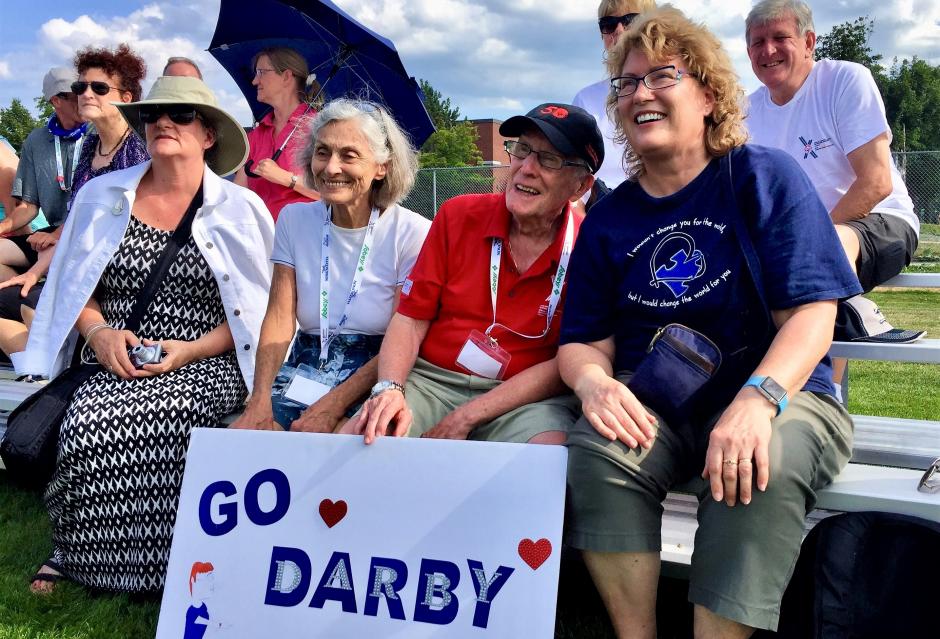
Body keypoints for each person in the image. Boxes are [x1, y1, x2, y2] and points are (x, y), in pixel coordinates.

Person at [558, 8, 861, 637]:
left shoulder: (763, 177)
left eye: (661, 76)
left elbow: (812, 315)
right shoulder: (611, 218)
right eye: (627, 83)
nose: (639, 93)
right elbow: (583, 341)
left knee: (757, 460)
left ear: (710, 94)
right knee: (597, 451)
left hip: (781, 393)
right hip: (664, 406)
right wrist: (594, 384)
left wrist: (758, 399)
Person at [21, 76, 274, 594]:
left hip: (208, 357)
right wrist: (100, 335)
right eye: (154, 114)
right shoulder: (101, 195)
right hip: (115, 353)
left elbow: (257, 312)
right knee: (90, 421)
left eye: (181, 115)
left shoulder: (241, 209)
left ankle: (173, 565)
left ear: (208, 135)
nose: (163, 122)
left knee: (165, 414)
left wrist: (190, 350)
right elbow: (75, 288)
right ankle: (80, 556)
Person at [347, 103, 602, 446]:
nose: (526, 168)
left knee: (546, 456)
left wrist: (469, 415)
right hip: (433, 382)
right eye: (523, 149)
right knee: (361, 437)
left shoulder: (589, 246)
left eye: (549, 159)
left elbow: (566, 361)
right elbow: (409, 319)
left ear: (580, 186)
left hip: (523, 399)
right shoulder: (458, 215)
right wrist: (390, 388)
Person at [744, 0, 922, 391]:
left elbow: (876, 183)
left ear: (809, 42)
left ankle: (824, 396)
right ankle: (849, 315)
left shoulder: (844, 80)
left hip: (879, 220)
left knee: (821, 256)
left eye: (780, 38)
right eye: (757, 42)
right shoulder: (748, 112)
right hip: (798, 247)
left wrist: (805, 244)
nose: (767, 50)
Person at [230, 99, 429, 433]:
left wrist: (333, 405)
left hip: (377, 369)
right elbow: (279, 317)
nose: (331, 167)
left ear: (381, 167)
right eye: (322, 152)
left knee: (341, 441)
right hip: (307, 359)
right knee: (249, 436)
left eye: (348, 155)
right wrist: (260, 397)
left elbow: (402, 337)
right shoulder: (294, 219)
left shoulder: (410, 233)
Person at [0, 47, 151, 367]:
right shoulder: (89, 149)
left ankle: (47, 362)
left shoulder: (138, 148)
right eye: (80, 88)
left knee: (28, 305)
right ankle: (41, 365)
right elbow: (76, 218)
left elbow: (123, 230)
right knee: (18, 293)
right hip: (73, 253)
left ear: (126, 98)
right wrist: (36, 271)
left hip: (111, 271)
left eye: (98, 88)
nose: (84, 94)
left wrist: (50, 261)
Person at [0, 67, 85, 282]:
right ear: (56, 101)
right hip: (52, 233)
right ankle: (29, 300)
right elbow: (28, 207)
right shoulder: (36, 141)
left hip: (88, 231)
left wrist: (56, 235)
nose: (85, 99)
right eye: (76, 95)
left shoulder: (98, 134)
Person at [572, 0, 655, 201]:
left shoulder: (669, 89)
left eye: (630, 20)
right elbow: (576, 174)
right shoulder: (586, 100)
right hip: (602, 209)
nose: (618, 30)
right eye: (608, 24)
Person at [234, 47, 320, 219]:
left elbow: (335, 193)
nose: (255, 81)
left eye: (261, 72)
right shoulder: (255, 135)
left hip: (303, 239)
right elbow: (237, 195)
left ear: (287, 77)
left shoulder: (320, 129)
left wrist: (288, 179)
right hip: (259, 239)